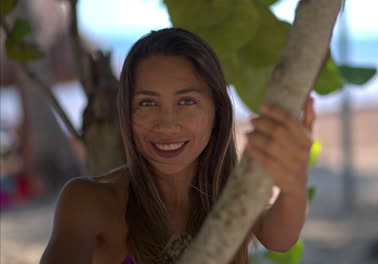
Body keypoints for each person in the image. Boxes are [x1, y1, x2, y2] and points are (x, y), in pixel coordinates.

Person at [40, 28, 315, 264]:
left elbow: (280, 237)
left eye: (187, 102)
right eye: (147, 103)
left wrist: (294, 178)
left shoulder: (231, 192)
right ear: (126, 112)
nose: (167, 125)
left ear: (217, 111)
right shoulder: (89, 201)